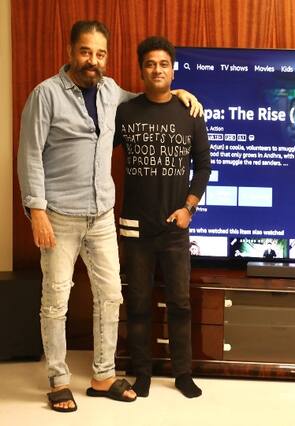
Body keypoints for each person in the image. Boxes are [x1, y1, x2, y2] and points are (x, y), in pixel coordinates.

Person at [17, 20, 202, 412]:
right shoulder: (46, 95)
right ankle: (58, 380)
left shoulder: (110, 90)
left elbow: (147, 97)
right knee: (56, 300)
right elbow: (29, 154)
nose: (93, 60)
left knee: (111, 296)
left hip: (101, 215)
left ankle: (103, 375)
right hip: (59, 215)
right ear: (71, 51)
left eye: (100, 54)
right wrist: (36, 210)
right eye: (86, 51)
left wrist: (176, 93)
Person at [114, 36, 211, 399]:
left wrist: (189, 208)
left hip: (174, 229)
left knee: (180, 304)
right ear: (142, 70)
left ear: (173, 70)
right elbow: (96, 152)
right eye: (150, 64)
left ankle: (183, 374)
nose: (157, 70)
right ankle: (142, 374)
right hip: (135, 228)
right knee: (138, 303)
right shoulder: (125, 112)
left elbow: (204, 166)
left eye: (164, 64)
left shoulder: (190, 113)